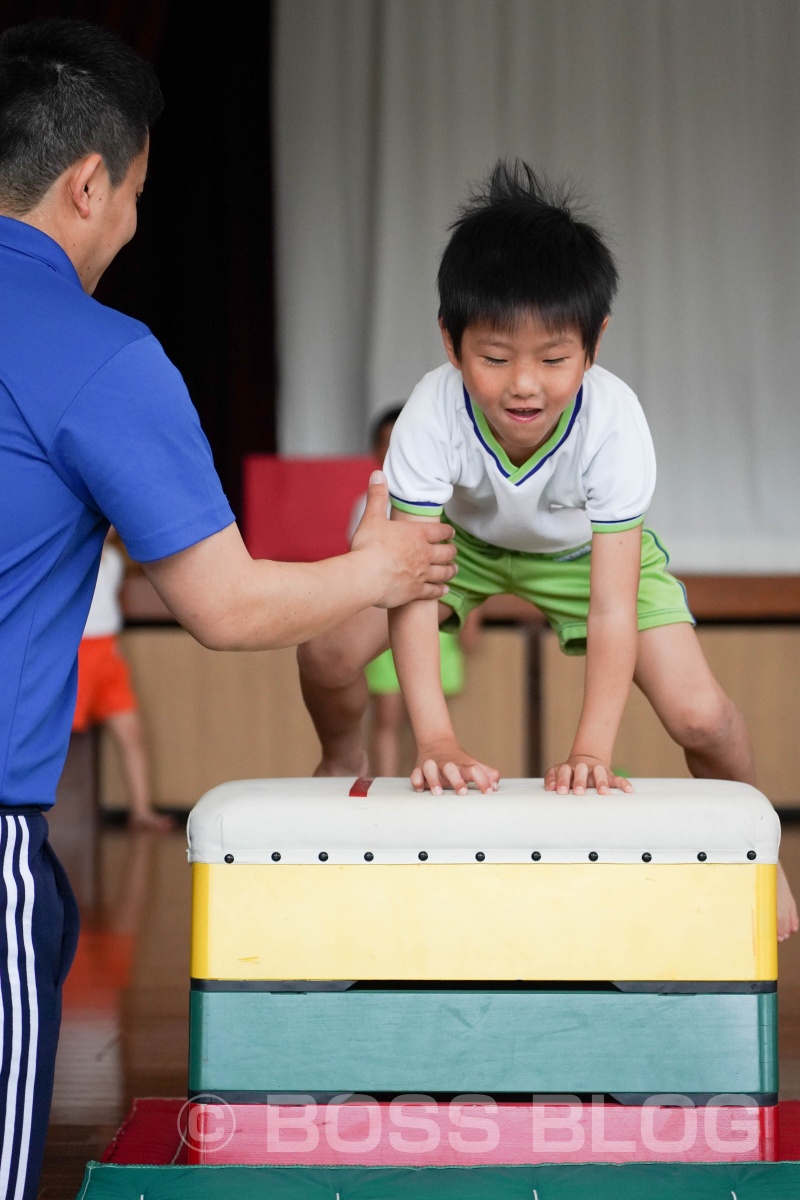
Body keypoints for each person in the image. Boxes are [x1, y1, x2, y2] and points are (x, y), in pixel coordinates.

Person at [0, 19, 455, 1197]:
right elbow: (225, 603)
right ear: (87, 184)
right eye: (138, 194)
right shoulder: (98, 353)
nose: (136, 225)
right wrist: (383, 566)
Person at [298, 159, 798, 944]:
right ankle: (339, 756)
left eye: (552, 360)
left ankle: (761, 852)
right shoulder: (431, 413)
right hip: (459, 546)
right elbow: (414, 587)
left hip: (581, 560)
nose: (523, 386)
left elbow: (610, 604)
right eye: (495, 359)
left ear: (594, 343)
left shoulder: (614, 422)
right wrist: (433, 740)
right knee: (327, 651)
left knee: (703, 717)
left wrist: (591, 751)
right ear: (451, 341)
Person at [351, 408, 480, 776]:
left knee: (431, 718)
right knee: (388, 716)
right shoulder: (367, 507)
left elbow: (468, 566)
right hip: (384, 620)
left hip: (437, 616)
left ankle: (425, 782)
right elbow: (359, 571)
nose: (397, 453)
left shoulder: (446, 503)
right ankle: (387, 784)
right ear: (376, 453)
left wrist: (471, 617)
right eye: (388, 446)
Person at [72, 532, 174, 831]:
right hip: (79, 652)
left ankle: (141, 810)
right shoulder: (74, 556)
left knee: (132, 734)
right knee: (55, 738)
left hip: (108, 653)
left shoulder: (115, 560)